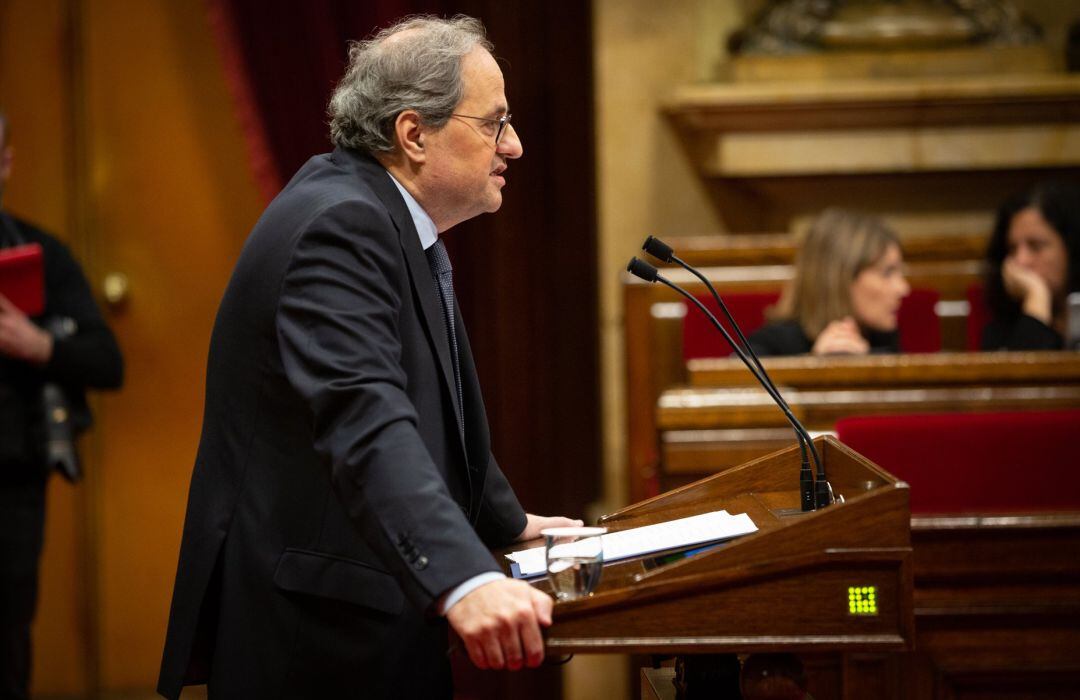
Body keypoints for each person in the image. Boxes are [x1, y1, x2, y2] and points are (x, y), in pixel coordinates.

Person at [157, 16, 581, 700]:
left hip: (355, 613)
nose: (516, 146)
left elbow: (425, 404)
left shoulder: (374, 212)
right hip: (318, 642)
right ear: (413, 134)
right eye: (495, 124)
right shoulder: (340, 225)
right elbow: (364, 415)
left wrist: (504, 522)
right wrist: (462, 576)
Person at [0, 110, 123, 699]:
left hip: (12, 475)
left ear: (5, 163)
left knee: (6, 632)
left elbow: (108, 362)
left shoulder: (38, 253)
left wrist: (39, 344)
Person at [747, 208, 911, 357]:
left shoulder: (882, 338)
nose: (904, 288)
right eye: (887, 273)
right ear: (842, 278)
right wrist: (814, 368)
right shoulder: (769, 347)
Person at [981, 180, 1080, 350]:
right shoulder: (1000, 332)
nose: (1020, 261)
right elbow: (1020, 375)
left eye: (1035, 246)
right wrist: (1037, 300)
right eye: (1012, 249)